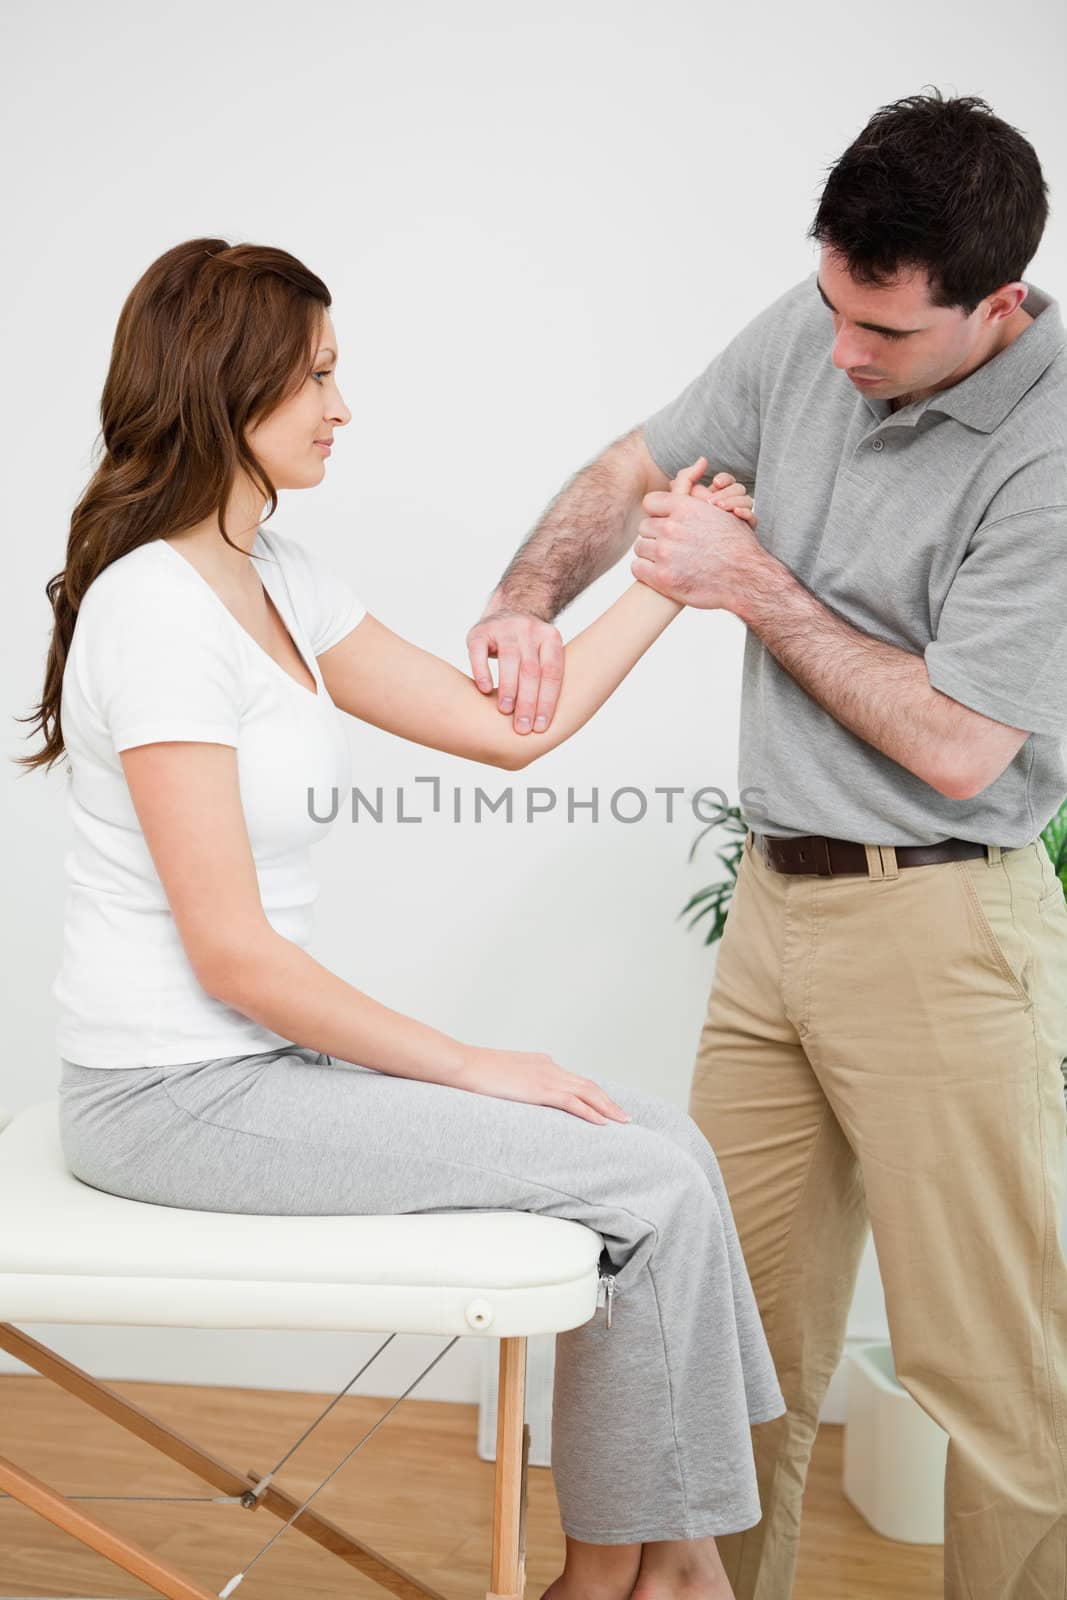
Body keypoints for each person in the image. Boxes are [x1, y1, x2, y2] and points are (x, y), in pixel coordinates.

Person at [14, 235, 789, 1600]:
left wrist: (670, 586)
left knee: (668, 1144)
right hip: (166, 1100)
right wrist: (484, 1065)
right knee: (640, 1179)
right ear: (224, 388)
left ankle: (673, 1568)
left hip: (248, 1076)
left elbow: (504, 736)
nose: (343, 405)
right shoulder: (154, 611)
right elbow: (233, 955)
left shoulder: (281, 580)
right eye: (315, 376)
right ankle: (613, 1581)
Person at [465, 88, 1067, 1599]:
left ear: (996, 304)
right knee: (730, 1362)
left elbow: (955, 744)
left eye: (887, 334)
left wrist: (749, 581)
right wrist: (522, 602)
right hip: (775, 919)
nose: (844, 354)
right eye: (833, 310)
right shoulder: (825, 319)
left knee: (995, 1386)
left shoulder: (1052, 452)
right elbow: (628, 469)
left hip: (944, 931)